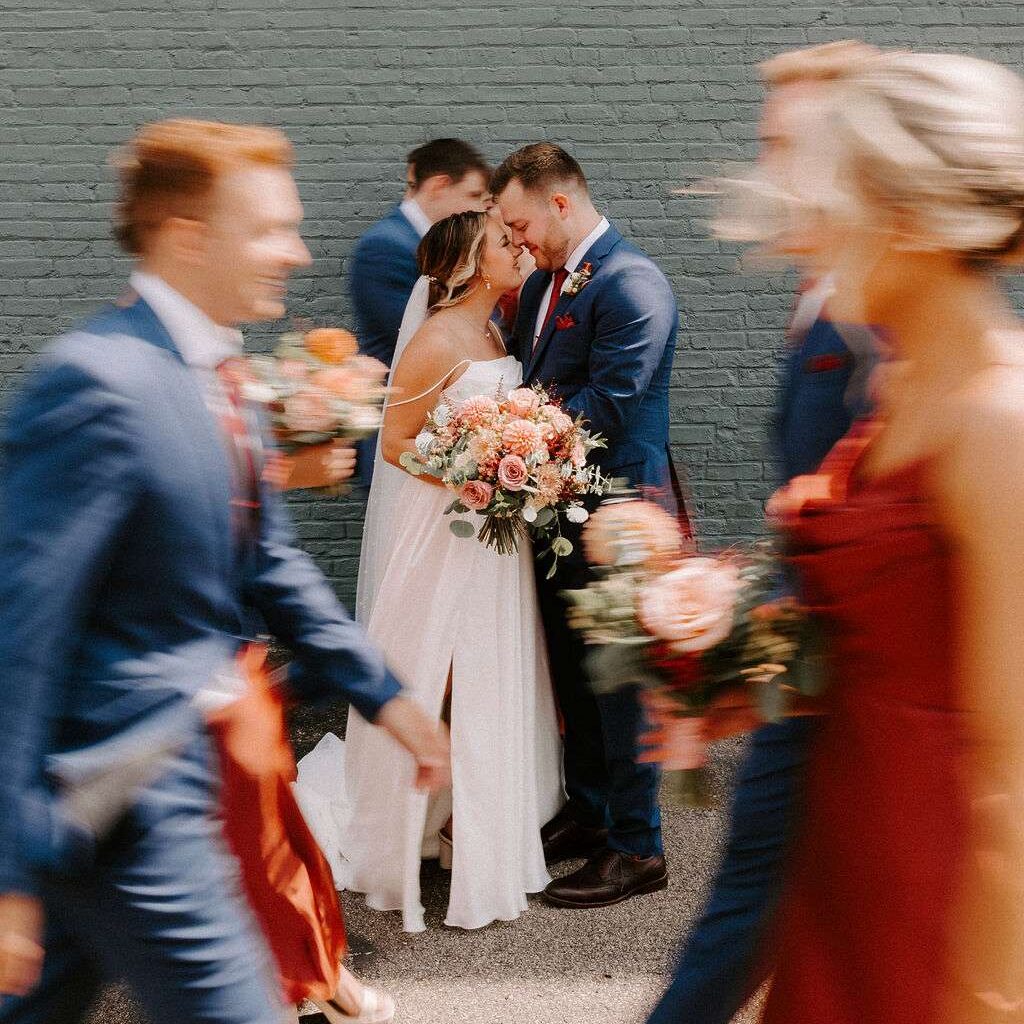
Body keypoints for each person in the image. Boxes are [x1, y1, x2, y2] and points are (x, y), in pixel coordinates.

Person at [0, 119, 448, 1024]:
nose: (297, 251)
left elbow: (271, 563)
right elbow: (19, 628)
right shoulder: (99, 382)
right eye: (271, 229)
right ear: (189, 234)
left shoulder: (223, 378)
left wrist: (388, 697)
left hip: (142, 796)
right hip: (122, 794)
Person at [662, 46, 1024, 1023]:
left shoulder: (1000, 421)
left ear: (906, 214)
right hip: (847, 848)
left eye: (829, 200)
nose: (802, 232)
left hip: (937, 896)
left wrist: (987, 992)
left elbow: (1014, 758)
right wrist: (739, 674)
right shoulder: (897, 384)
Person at [646, 41, 880, 1024]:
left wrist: (740, 660)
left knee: (746, 914)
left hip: (850, 696)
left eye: (785, 143)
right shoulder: (821, 298)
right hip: (811, 677)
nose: (765, 164)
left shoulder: (881, 325)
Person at [300, 209, 563, 933]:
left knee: (487, 667)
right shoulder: (437, 338)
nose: (517, 249)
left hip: (490, 531)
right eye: (503, 244)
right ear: (472, 265)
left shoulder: (493, 331)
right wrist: (472, 476)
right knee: (440, 667)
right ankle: (411, 819)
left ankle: (466, 822)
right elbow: (393, 443)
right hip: (450, 528)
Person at [492, 144, 686, 909]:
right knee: (574, 674)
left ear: (561, 204)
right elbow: (542, 378)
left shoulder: (632, 283)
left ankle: (639, 850)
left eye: (520, 224)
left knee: (619, 682)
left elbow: (608, 404)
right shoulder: (545, 281)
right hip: (555, 510)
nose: (517, 241)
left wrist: (503, 438)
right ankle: (593, 814)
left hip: (618, 513)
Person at [349, 139, 491, 485]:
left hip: (441, 440)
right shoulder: (386, 246)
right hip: (408, 439)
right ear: (440, 184)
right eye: (473, 196)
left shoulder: (415, 241)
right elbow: (417, 336)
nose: (480, 209)